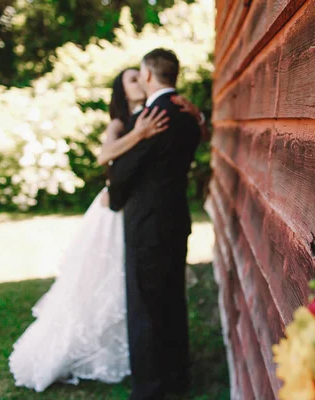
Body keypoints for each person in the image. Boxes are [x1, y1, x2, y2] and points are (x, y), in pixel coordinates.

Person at [8, 67, 204, 393]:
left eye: (139, 75)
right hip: (117, 210)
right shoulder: (121, 122)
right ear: (123, 90)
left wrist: (197, 117)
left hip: (142, 210)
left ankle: (142, 359)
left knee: (135, 287)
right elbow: (104, 156)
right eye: (131, 79)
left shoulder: (158, 114)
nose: (139, 80)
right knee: (109, 282)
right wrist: (138, 134)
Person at [107, 48, 202, 400]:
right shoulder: (189, 114)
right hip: (177, 221)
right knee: (173, 302)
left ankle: (150, 391)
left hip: (147, 228)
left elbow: (121, 172)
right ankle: (178, 379)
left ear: (148, 75)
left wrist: (115, 200)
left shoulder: (151, 117)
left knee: (146, 311)